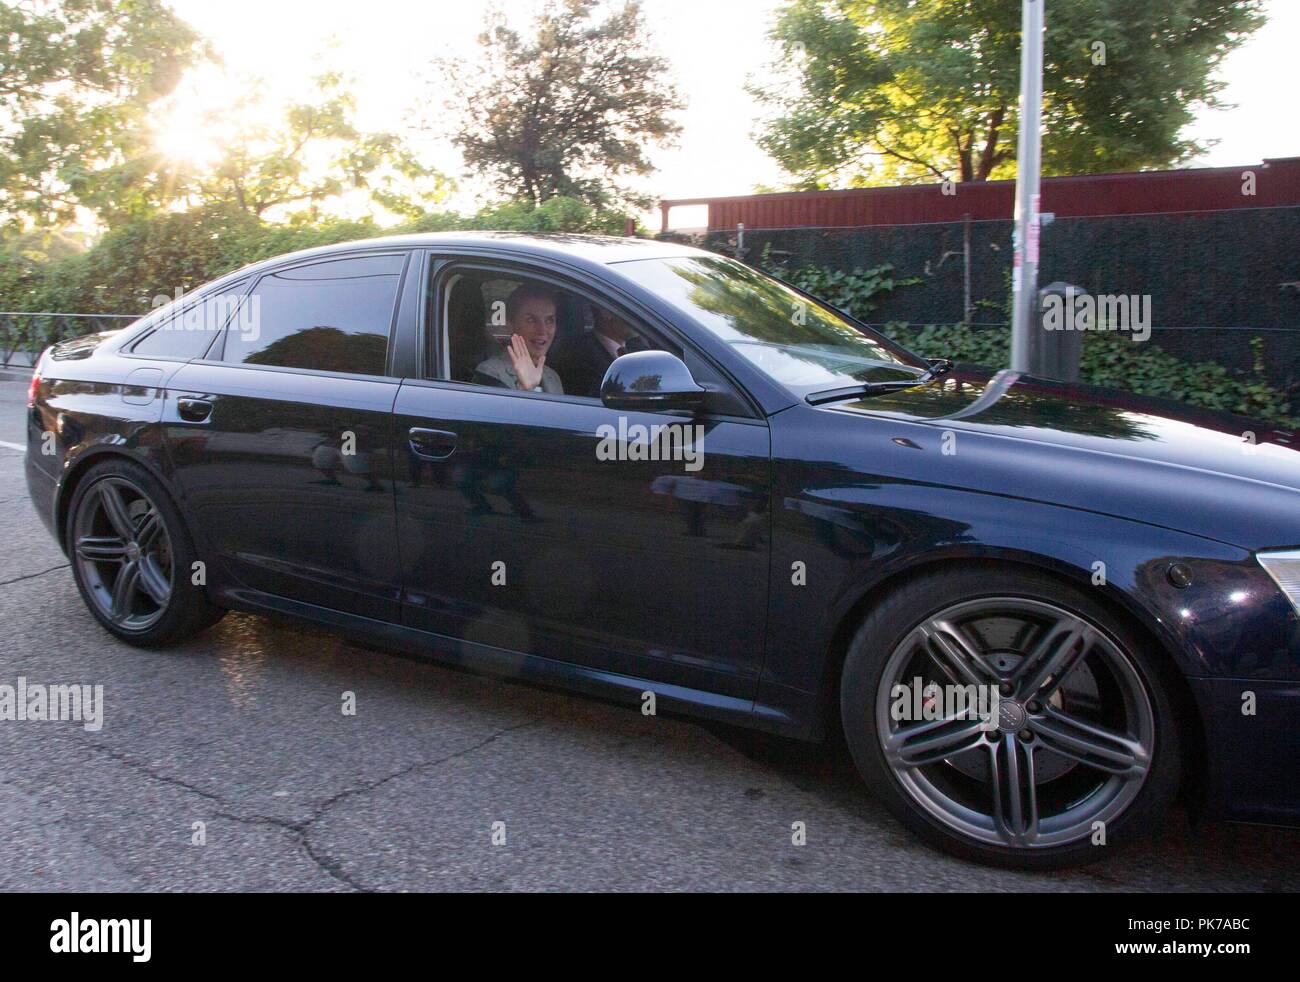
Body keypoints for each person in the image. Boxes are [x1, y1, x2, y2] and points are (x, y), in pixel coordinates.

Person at [472, 284, 564, 394]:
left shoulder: (552, 377)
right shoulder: (490, 372)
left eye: (549, 321)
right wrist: (526, 389)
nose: (542, 330)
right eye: (531, 320)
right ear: (510, 325)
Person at [548, 305, 642, 398]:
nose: (639, 317)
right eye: (631, 310)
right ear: (606, 312)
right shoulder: (580, 357)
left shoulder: (637, 347)